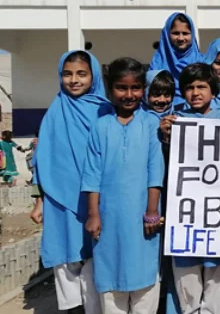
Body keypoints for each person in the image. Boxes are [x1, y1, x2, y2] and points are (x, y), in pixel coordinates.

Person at [31, 50, 110, 314]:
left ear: (93, 75)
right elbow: (41, 158)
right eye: (67, 74)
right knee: (64, 257)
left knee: (91, 257)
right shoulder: (55, 111)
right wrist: (39, 199)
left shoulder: (104, 110)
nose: (73, 80)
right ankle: (72, 309)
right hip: (58, 198)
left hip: (93, 199)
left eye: (81, 74)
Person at [83, 57, 164, 314]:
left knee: (145, 280)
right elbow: (92, 174)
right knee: (111, 279)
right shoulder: (100, 127)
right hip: (109, 217)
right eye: (121, 87)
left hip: (143, 218)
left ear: (143, 89)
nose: (129, 94)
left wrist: (152, 211)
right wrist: (94, 214)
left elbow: (155, 170)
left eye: (136, 88)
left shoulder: (151, 123)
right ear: (110, 90)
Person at [159, 63, 220, 314]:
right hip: (185, 216)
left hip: (219, 217)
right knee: (187, 286)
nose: (195, 92)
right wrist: (165, 137)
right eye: (189, 87)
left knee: (214, 283)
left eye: (201, 87)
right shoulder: (175, 120)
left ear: (213, 90)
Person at [150, 12, 204, 107]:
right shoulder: (157, 63)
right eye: (175, 33)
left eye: (185, 33)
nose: (181, 38)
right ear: (166, 35)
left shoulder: (202, 62)